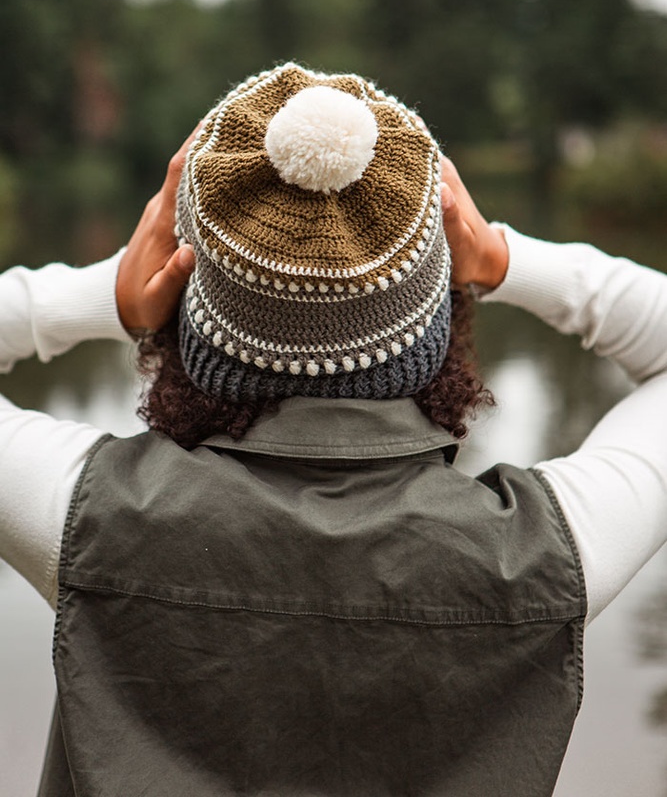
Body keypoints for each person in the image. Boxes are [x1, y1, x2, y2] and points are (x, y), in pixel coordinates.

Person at [1, 61, 666, 797]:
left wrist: (111, 298)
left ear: (186, 302)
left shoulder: (83, 516)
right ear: (434, 312)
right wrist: (500, 259)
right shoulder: (546, 552)